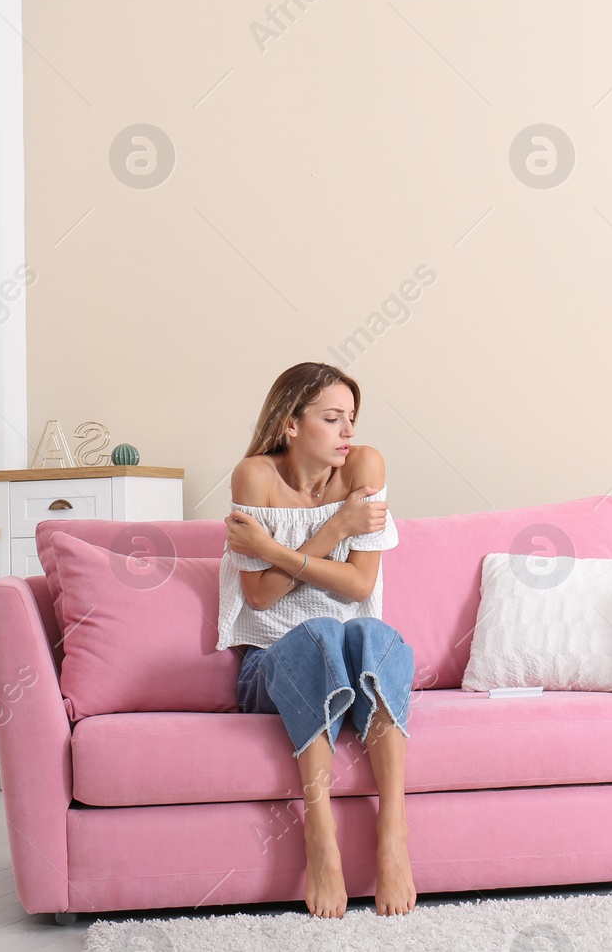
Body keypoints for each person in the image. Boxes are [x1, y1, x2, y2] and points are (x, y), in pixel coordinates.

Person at [215, 361, 417, 919]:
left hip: (356, 663)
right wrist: (335, 531)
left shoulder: (364, 467)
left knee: (370, 631)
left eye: (351, 418)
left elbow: (360, 584)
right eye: (332, 419)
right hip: (272, 667)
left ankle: (393, 833)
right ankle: (321, 838)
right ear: (290, 423)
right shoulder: (254, 477)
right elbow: (258, 598)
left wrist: (279, 552)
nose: (348, 433)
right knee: (322, 630)